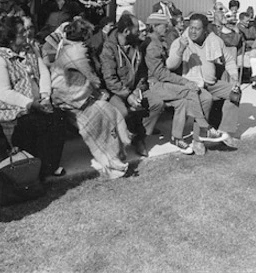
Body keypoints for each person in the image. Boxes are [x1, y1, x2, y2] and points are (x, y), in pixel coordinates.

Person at [0, 16, 67, 177]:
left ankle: (50, 164)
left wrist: (45, 96)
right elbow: (2, 92)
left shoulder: (29, 49)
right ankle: (37, 168)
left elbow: (43, 72)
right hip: (13, 107)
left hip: (36, 102)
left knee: (59, 117)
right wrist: (30, 104)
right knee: (33, 123)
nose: (27, 34)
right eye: (22, 32)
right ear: (9, 37)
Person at [49, 18, 130, 179]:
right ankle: (111, 160)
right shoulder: (77, 51)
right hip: (69, 99)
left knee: (110, 112)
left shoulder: (68, 46)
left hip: (75, 94)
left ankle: (115, 154)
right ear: (84, 36)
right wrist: (101, 94)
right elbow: (93, 78)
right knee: (103, 116)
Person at [144, 12, 227, 155]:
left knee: (190, 101)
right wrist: (185, 82)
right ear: (154, 26)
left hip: (163, 83)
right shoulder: (152, 45)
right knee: (191, 90)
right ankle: (204, 128)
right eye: (165, 25)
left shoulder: (158, 42)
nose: (168, 27)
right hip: (155, 85)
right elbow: (161, 73)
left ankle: (178, 138)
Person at [166, 14, 241, 149]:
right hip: (192, 85)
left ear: (205, 30)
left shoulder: (214, 40)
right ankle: (197, 139)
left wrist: (235, 78)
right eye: (191, 28)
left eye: (197, 29)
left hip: (211, 83)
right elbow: (170, 65)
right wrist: (181, 50)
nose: (193, 31)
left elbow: (229, 60)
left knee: (235, 93)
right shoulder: (181, 41)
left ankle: (224, 131)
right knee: (205, 99)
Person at [100, 14, 161, 158]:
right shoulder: (108, 48)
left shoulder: (136, 45)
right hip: (115, 92)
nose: (139, 33)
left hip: (134, 89)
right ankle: (119, 145)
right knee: (123, 112)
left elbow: (142, 73)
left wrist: (138, 91)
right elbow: (110, 80)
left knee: (157, 104)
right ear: (127, 31)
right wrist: (128, 96)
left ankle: (139, 138)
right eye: (136, 30)